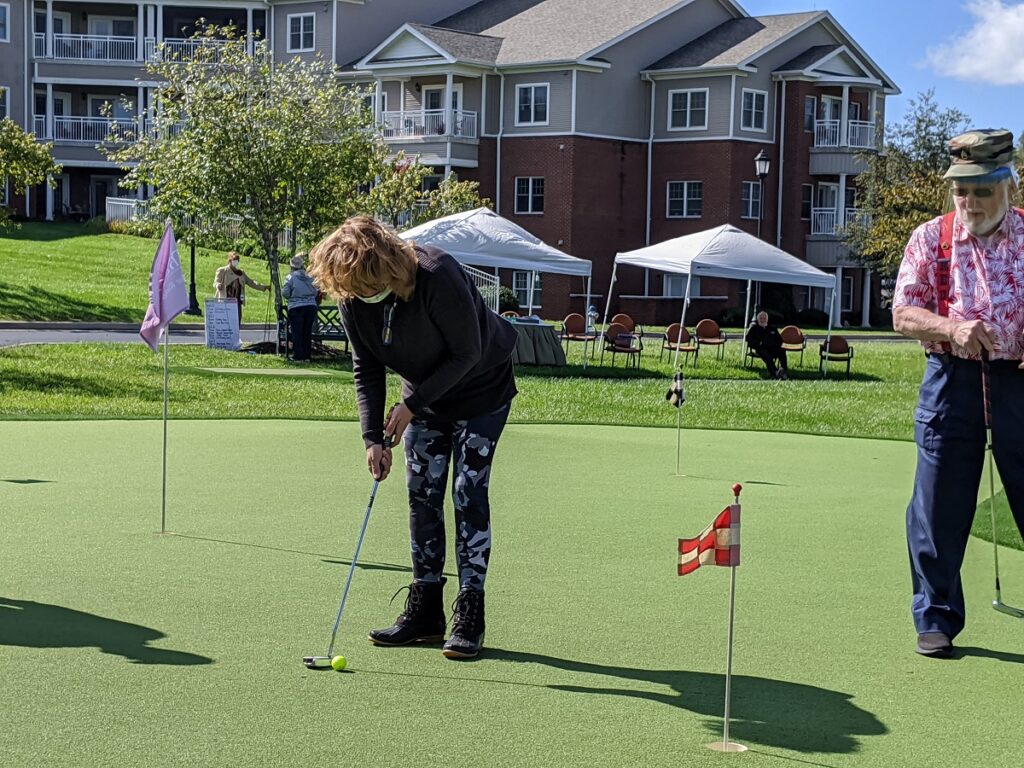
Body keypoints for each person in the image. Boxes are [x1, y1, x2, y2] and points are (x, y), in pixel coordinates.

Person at [308, 216, 518, 659]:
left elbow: (468, 352)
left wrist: (411, 407)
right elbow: (366, 366)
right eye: (351, 289)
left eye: (366, 285)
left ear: (386, 267)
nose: (360, 296)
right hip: (422, 395)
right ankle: (426, 611)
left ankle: (470, 612)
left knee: (467, 492)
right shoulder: (352, 294)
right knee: (421, 494)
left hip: (481, 390)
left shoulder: (438, 274)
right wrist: (373, 438)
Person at [892, 128, 1024, 658]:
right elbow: (903, 313)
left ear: (1008, 186)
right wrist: (951, 328)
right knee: (936, 507)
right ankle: (936, 617)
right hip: (951, 380)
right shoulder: (930, 238)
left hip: (1018, 377)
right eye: (960, 191)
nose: (969, 202)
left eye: (981, 190)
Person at [213, 251, 270, 323]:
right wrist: (218, 285)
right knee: (225, 324)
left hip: (237, 303)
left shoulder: (241, 273)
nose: (236, 262)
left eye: (237, 260)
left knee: (236, 323)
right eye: (234, 260)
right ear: (230, 260)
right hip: (225, 302)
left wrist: (264, 287)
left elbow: (251, 282)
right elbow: (215, 282)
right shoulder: (222, 271)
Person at [282, 253, 319, 362]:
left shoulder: (290, 277)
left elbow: (285, 293)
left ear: (292, 266)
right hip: (310, 306)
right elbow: (316, 292)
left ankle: (298, 356)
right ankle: (307, 356)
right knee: (306, 332)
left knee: (297, 332)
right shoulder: (310, 276)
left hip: (296, 306)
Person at [745, 311, 788, 379]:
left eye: (764, 318)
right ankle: (775, 372)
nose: (762, 320)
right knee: (767, 356)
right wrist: (758, 343)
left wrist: (775, 345)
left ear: (767, 319)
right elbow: (748, 339)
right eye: (761, 318)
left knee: (782, 351)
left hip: (772, 347)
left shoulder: (772, 328)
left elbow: (779, 340)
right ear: (758, 319)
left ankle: (783, 370)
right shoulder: (754, 328)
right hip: (761, 348)